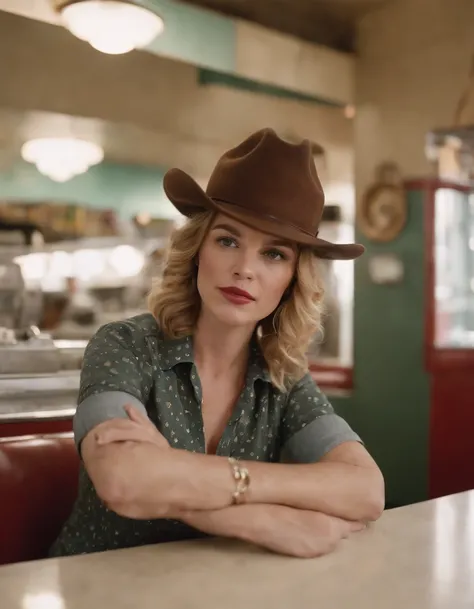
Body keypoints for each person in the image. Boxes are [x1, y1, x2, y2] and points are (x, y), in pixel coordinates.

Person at [50, 128, 384, 559]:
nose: (245, 269)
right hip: (93, 588)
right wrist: (264, 518)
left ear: (291, 281)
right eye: (228, 241)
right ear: (197, 251)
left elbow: (366, 489)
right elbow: (121, 480)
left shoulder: (282, 377)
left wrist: (171, 474)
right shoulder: (126, 345)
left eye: (274, 254)